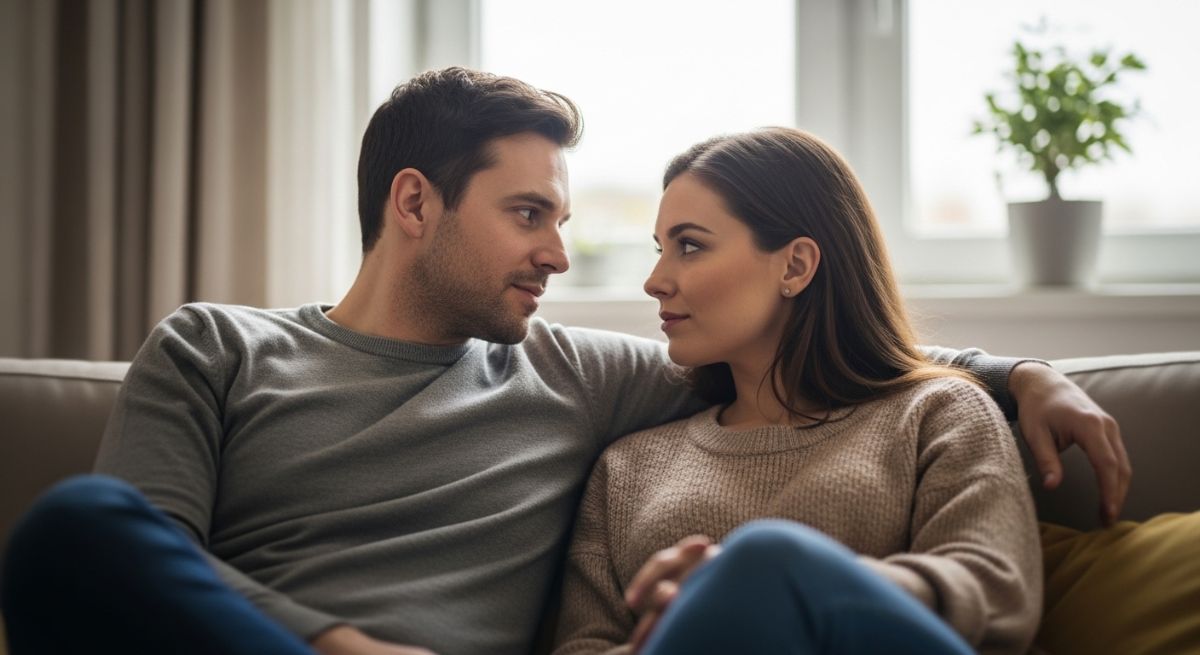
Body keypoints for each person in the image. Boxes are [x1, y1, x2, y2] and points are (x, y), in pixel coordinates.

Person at [0, 69, 1126, 655]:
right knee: (74, 528)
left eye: (564, 217)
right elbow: (137, 575)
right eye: (529, 212)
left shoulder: (577, 377)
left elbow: (826, 363)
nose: (559, 253)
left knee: (767, 565)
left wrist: (1016, 371)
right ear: (413, 203)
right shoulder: (216, 347)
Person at [553, 128, 1043, 655]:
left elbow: (999, 596)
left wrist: (776, 584)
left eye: (690, 246)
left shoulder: (939, 413)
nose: (655, 280)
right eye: (660, 249)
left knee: (767, 557)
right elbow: (583, 646)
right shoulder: (627, 468)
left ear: (796, 265)